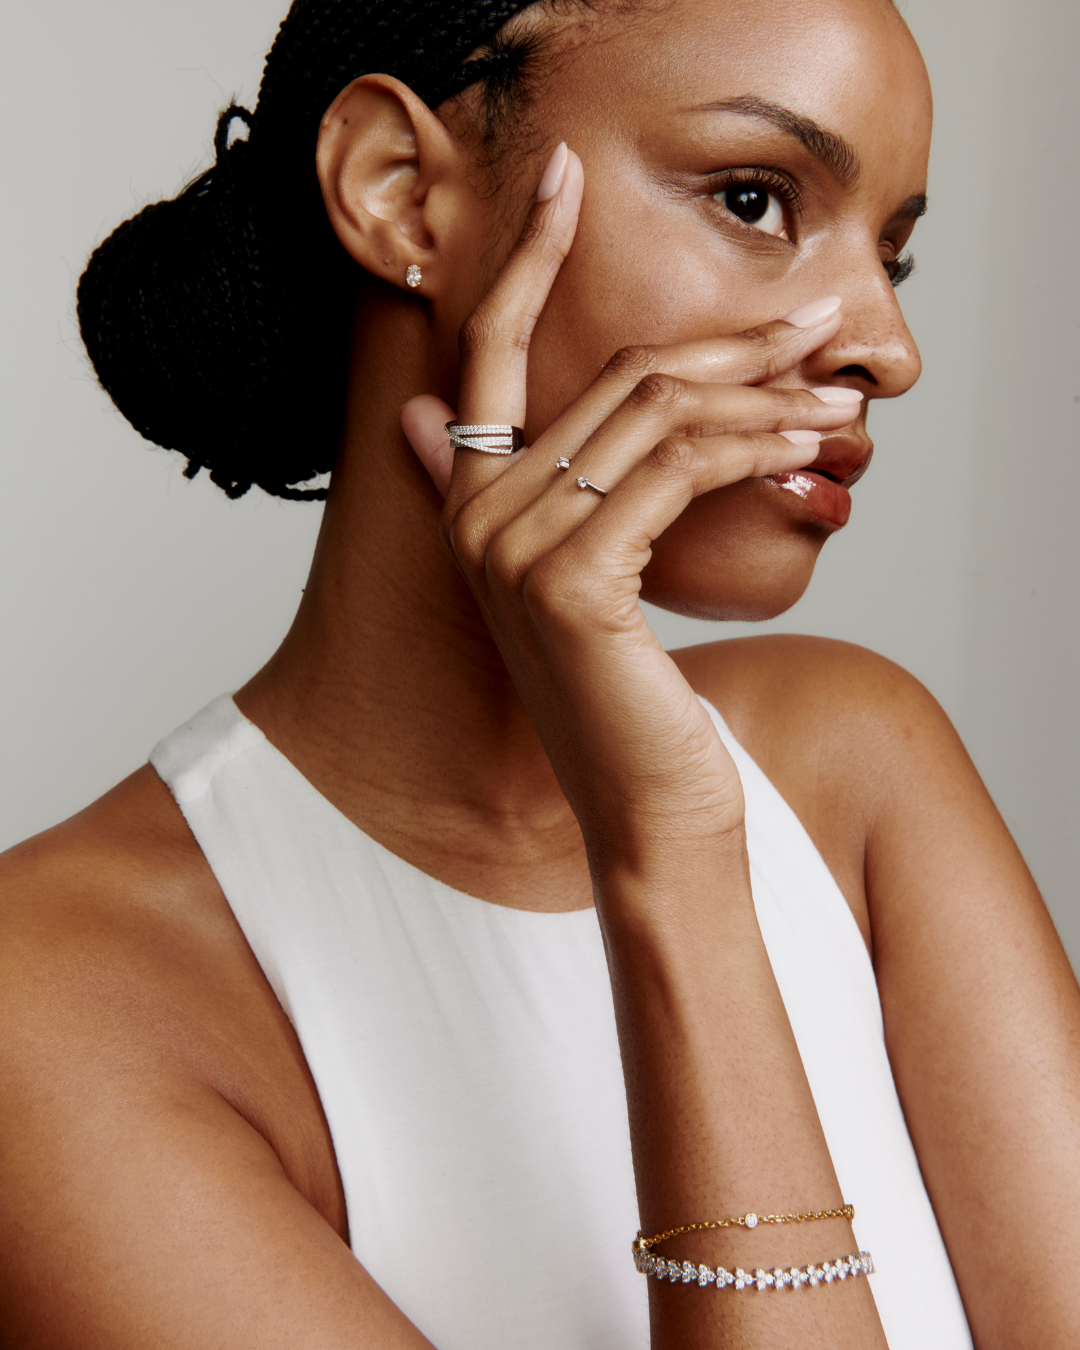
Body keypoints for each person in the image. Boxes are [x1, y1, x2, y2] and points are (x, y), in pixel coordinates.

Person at [2, 0, 1078, 1346]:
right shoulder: (48, 1006)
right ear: (401, 194)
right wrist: (672, 853)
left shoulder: (859, 768)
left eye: (893, 255)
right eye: (754, 197)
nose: (887, 349)